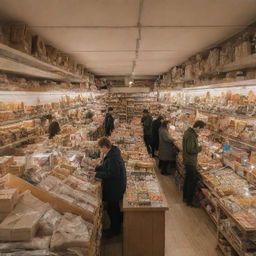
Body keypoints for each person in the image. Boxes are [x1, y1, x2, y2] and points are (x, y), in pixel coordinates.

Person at [95, 137, 126, 238]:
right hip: (115, 185)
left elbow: (112, 174)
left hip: (115, 187)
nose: (101, 151)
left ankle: (115, 230)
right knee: (112, 208)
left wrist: (97, 174)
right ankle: (117, 223)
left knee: (113, 209)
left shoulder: (113, 158)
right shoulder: (112, 154)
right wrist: (96, 168)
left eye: (101, 148)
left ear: (104, 147)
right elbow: (106, 167)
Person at [183, 120, 206, 207]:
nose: (201, 131)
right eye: (201, 129)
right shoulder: (191, 135)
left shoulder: (189, 133)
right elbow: (190, 149)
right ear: (198, 127)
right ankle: (190, 201)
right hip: (190, 161)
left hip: (188, 160)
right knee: (192, 181)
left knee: (188, 179)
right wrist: (200, 148)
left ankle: (185, 197)